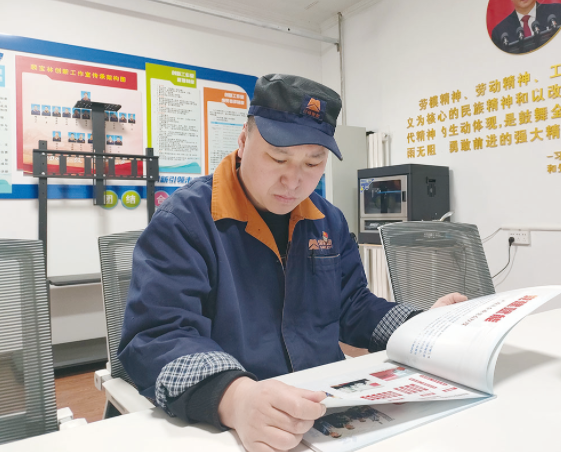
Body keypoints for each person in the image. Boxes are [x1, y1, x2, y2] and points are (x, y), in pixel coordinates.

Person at [118, 74, 467, 452]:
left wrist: (422, 326)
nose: (293, 181)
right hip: (236, 422)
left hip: (324, 409)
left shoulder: (327, 219)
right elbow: (158, 336)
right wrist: (235, 398)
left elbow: (353, 306)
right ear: (242, 141)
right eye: (277, 158)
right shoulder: (185, 221)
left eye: (313, 163)